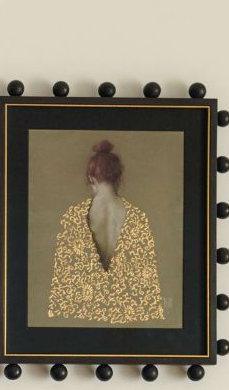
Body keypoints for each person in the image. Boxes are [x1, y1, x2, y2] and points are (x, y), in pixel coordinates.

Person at [46, 138, 162, 324]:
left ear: (91, 178)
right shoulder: (138, 217)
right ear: (119, 178)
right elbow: (147, 288)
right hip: (127, 316)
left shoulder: (74, 217)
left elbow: (64, 286)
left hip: (84, 316)